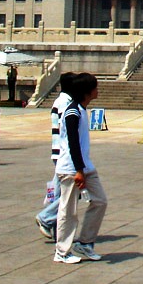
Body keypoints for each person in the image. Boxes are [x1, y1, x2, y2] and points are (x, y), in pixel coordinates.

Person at [54, 72, 107, 264]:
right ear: (87, 91)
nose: (97, 90)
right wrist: (78, 171)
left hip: (84, 166)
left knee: (100, 201)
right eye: (95, 87)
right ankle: (62, 250)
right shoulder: (72, 112)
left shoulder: (82, 110)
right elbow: (72, 143)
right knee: (68, 210)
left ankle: (85, 242)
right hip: (71, 168)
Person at [35, 71, 75, 239]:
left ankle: (52, 221)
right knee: (72, 192)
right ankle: (46, 217)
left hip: (59, 152)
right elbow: (67, 130)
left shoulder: (61, 101)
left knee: (58, 192)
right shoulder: (65, 103)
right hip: (63, 153)